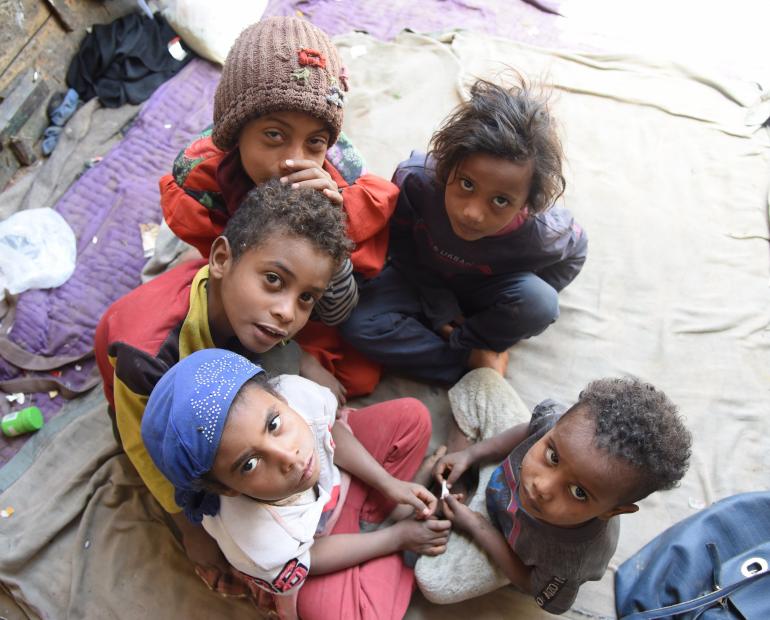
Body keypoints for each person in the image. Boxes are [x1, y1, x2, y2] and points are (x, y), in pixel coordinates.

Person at [94, 180, 352, 571]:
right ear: (220, 260)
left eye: (306, 298)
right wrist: (190, 528)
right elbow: (146, 446)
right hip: (154, 406)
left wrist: (304, 359)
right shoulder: (147, 357)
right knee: (214, 487)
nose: (287, 312)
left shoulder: (249, 313)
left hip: (222, 358)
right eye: (274, 280)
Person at [160, 16, 398, 397]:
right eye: (274, 135)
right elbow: (225, 282)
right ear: (236, 134)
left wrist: (333, 228)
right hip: (256, 293)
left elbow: (336, 309)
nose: (293, 161)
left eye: (315, 143)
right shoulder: (204, 187)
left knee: (359, 376)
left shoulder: (340, 189)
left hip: (298, 295)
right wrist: (295, 357)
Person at [141, 348, 450, 619]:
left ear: (279, 397)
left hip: (337, 488)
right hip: (314, 543)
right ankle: (388, 534)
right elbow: (309, 558)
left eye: (274, 425)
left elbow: (327, 434)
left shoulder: (295, 394)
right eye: (249, 464)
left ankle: (378, 513)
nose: (288, 456)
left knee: (412, 417)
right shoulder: (254, 540)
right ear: (227, 489)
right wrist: (396, 539)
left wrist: (388, 484)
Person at [340, 77, 587, 385]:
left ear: (527, 204)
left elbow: (577, 250)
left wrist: (489, 323)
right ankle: (474, 361)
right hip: (420, 276)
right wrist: (440, 306)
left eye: (501, 201)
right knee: (357, 323)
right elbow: (401, 248)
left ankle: (475, 342)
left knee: (539, 302)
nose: (473, 213)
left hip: (488, 290)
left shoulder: (541, 232)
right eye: (467, 184)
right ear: (447, 166)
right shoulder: (415, 182)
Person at [414, 369, 692, 614]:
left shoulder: (571, 560)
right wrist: (472, 455)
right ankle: (458, 482)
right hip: (502, 468)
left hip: (502, 542)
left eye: (578, 492)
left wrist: (478, 527)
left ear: (613, 511)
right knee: (480, 382)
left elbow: (531, 585)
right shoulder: (564, 429)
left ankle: (457, 493)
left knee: (433, 582)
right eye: (553, 457)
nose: (542, 487)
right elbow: (530, 430)